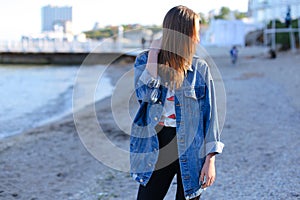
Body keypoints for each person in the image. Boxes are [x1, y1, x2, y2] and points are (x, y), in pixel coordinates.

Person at [130, 5, 224, 200]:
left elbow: (210, 115)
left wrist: (210, 160)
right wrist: (154, 55)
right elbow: (145, 96)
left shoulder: (200, 68)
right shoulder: (144, 61)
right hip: (157, 146)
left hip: (192, 148)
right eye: (195, 32)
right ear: (183, 34)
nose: (198, 39)